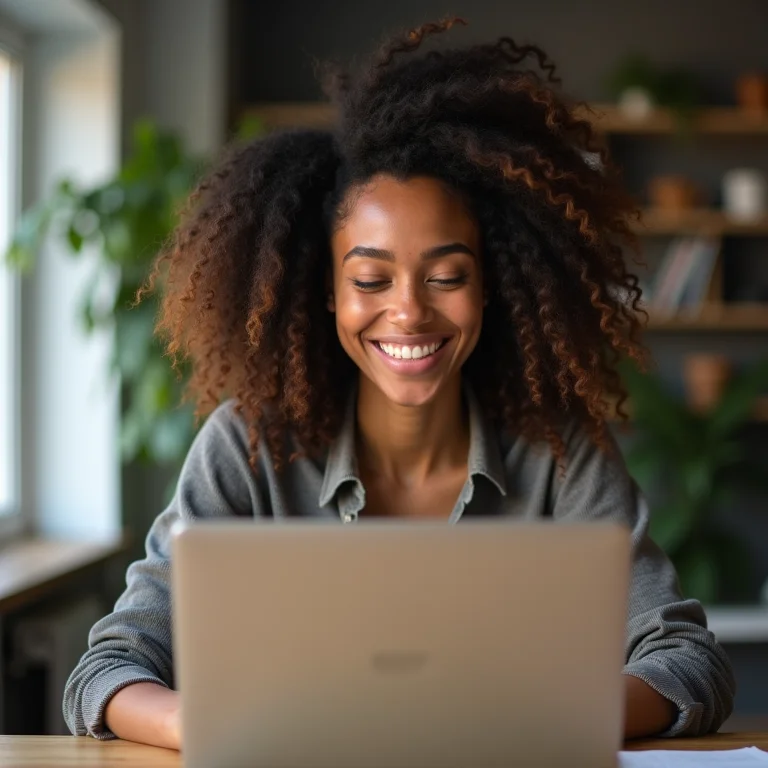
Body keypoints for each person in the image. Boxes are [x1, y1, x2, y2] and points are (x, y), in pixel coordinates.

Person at [63, 18, 735, 751]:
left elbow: (690, 663)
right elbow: (107, 670)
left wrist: (539, 720)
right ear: (327, 291)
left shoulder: (558, 452)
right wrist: (203, 723)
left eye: (447, 276)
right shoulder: (249, 445)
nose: (410, 310)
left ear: (492, 287)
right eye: (371, 279)